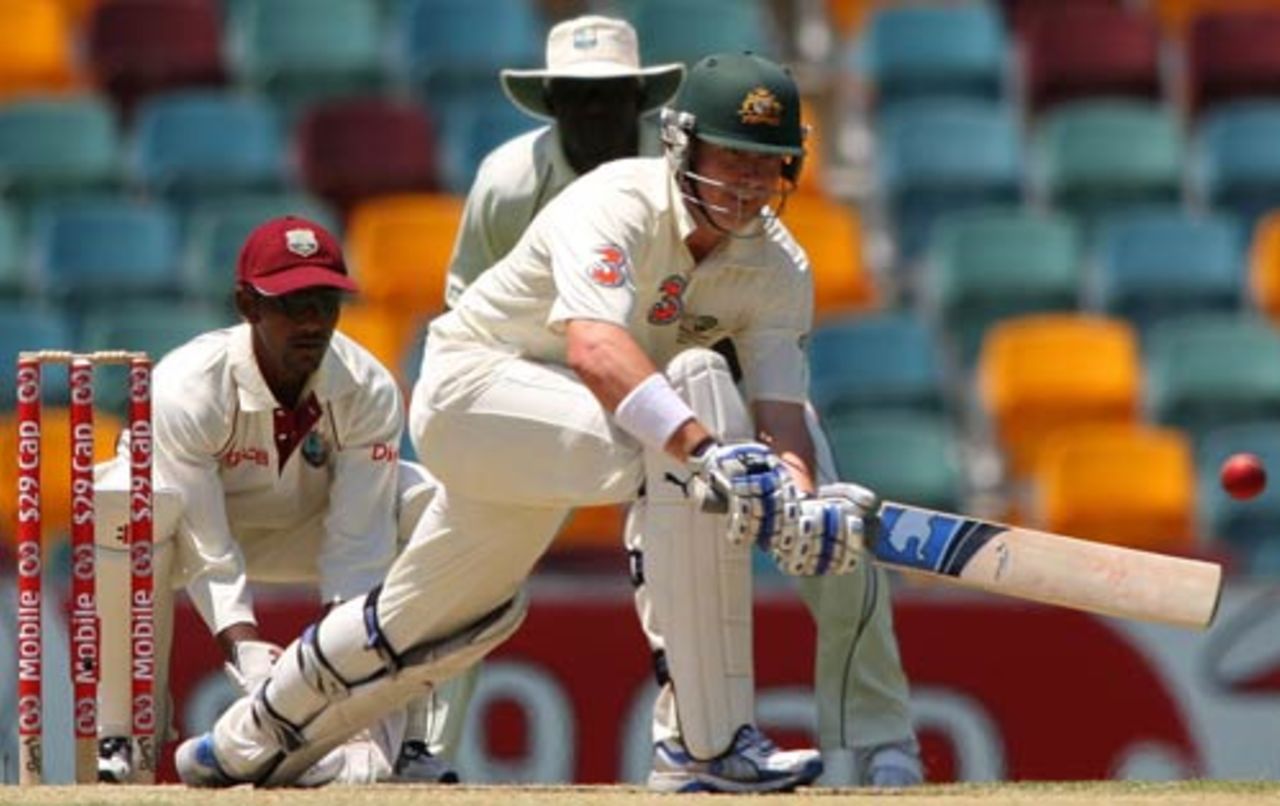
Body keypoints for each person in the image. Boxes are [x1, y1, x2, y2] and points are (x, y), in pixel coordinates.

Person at [175, 52, 889, 794]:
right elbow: (595, 348)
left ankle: (238, 739)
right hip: (474, 393)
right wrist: (711, 453)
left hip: (559, 433)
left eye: (765, 164)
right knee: (692, 397)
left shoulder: (779, 266)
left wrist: (800, 496)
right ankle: (701, 747)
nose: (746, 183)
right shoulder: (617, 203)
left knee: (424, 613)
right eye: (731, 157)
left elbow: (779, 410)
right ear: (682, 144)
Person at [446, 14, 921, 788]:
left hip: (706, 384)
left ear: (644, 103)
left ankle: (878, 742)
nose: (594, 114)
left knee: (833, 530)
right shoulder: (514, 181)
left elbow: (770, 389)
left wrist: (792, 488)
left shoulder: (745, 221)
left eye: (611, 98)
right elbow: (472, 312)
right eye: (575, 97)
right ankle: (424, 751)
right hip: (555, 383)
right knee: (473, 566)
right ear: (551, 101)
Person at [92, 215, 456, 785]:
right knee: (125, 498)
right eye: (291, 304)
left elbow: (358, 547)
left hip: (304, 529)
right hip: (189, 533)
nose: (312, 322)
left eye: (324, 302)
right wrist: (245, 648)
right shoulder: (188, 385)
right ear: (247, 305)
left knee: (427, 504)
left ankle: (411, 743)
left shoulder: (368, 389)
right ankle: (123, 738)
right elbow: (209, 545)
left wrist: (333, 674)